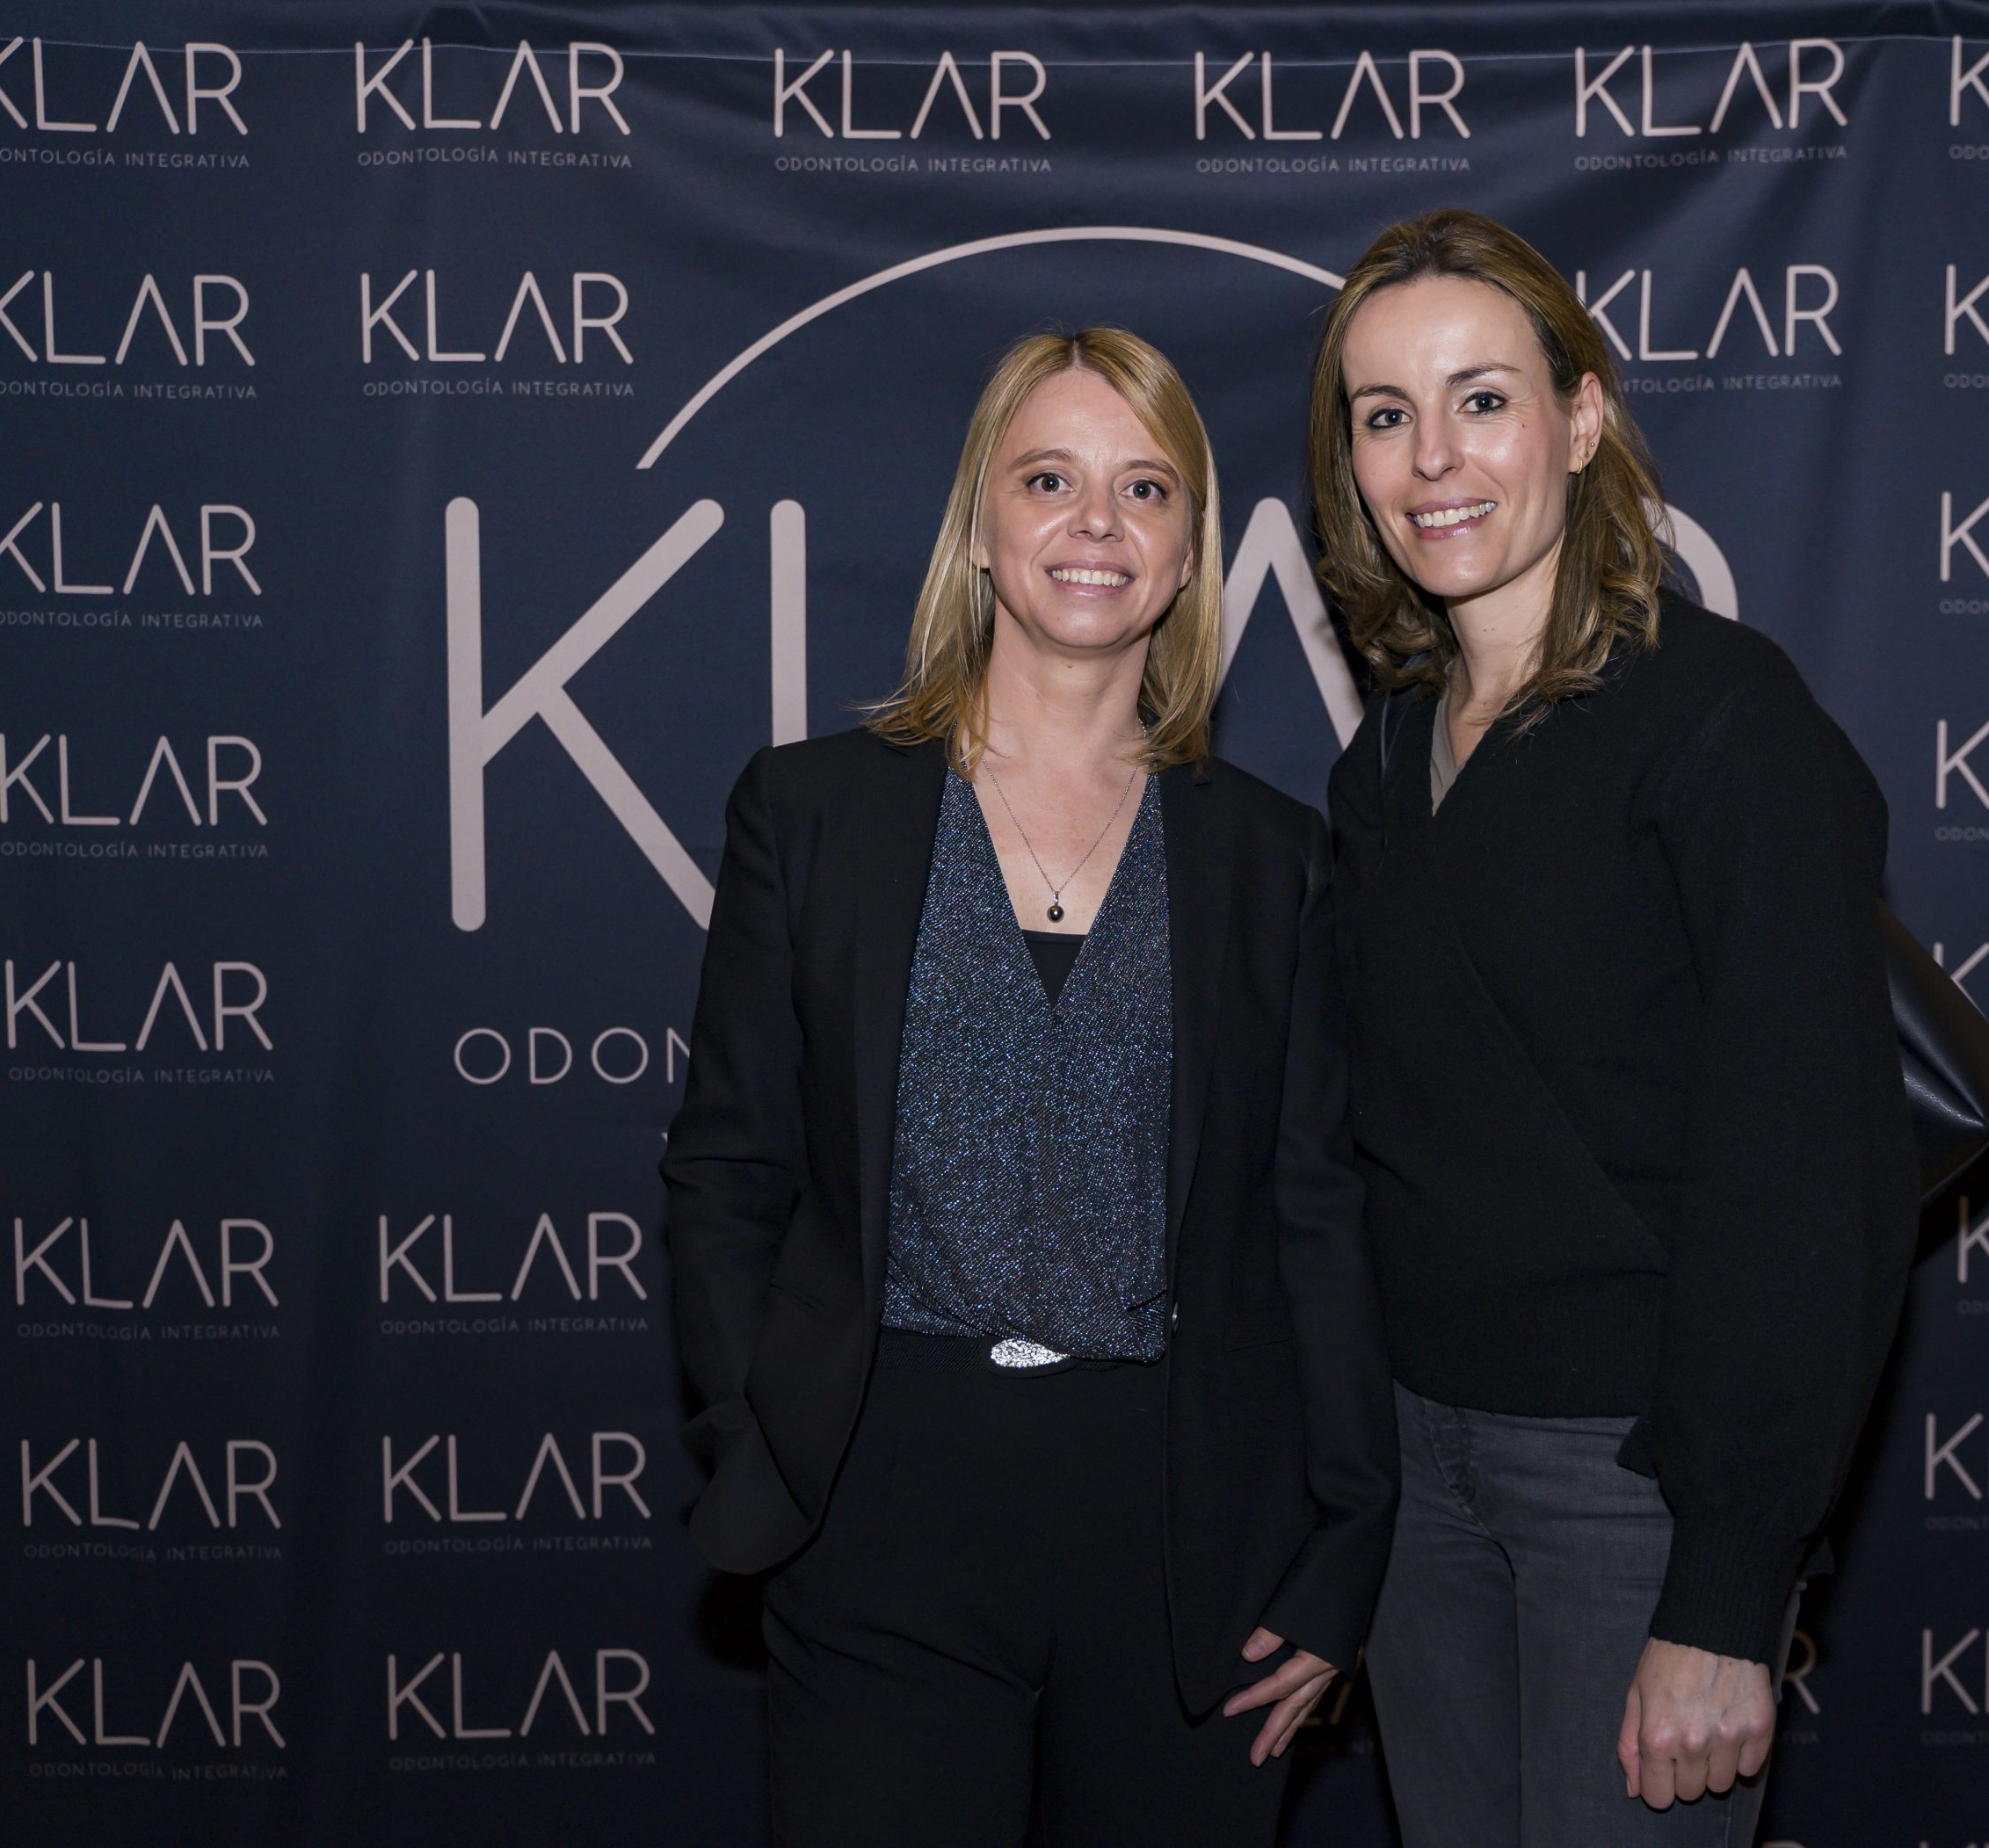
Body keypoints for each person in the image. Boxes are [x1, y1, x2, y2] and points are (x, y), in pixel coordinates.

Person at [660, 325, 1397, 1847]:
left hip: (1190, 1548)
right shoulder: (811, 813)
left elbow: (1316, 1219)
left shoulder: (1273, 858)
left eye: (1146, 488)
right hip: (876, 1521)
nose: (1096, 522)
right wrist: (766, 1445)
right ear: (982, 528)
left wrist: (1344, 1547)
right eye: (1049, 479)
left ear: (1186, 555)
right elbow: (731, 1171)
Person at [1313, 208, 1919, 1845]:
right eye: (1385, 414)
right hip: (1415, 1480)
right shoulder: (1385, 763)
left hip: (1634, 1487)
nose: (1434, 459)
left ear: (1581, 419)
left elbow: (1806, 1177)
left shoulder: (1724, 721)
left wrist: (1727, 1585)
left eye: (1483, 399)